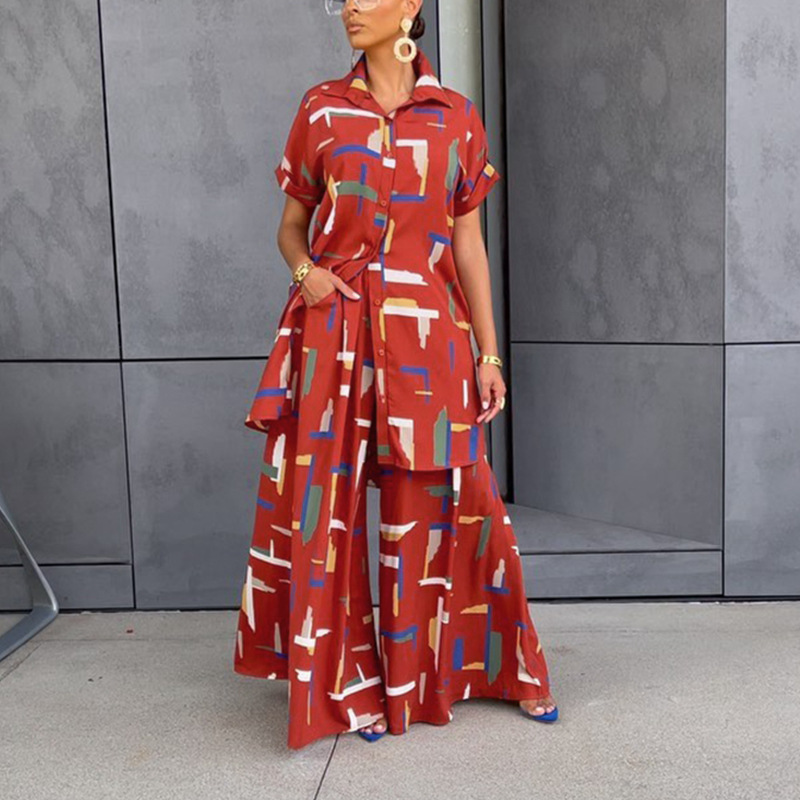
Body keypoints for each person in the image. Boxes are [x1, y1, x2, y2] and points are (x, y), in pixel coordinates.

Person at [233, 0, 558, 749]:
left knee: (448, 509)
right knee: (328, 517)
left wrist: (488, 353)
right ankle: (349, 690)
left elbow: (468, 243)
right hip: (335, 333)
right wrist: (308, 274)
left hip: (429, 338)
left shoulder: (456, 117)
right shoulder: (322, 110)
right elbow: (289, 227)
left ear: (410, 5)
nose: (350, 5)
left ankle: (477, 671)